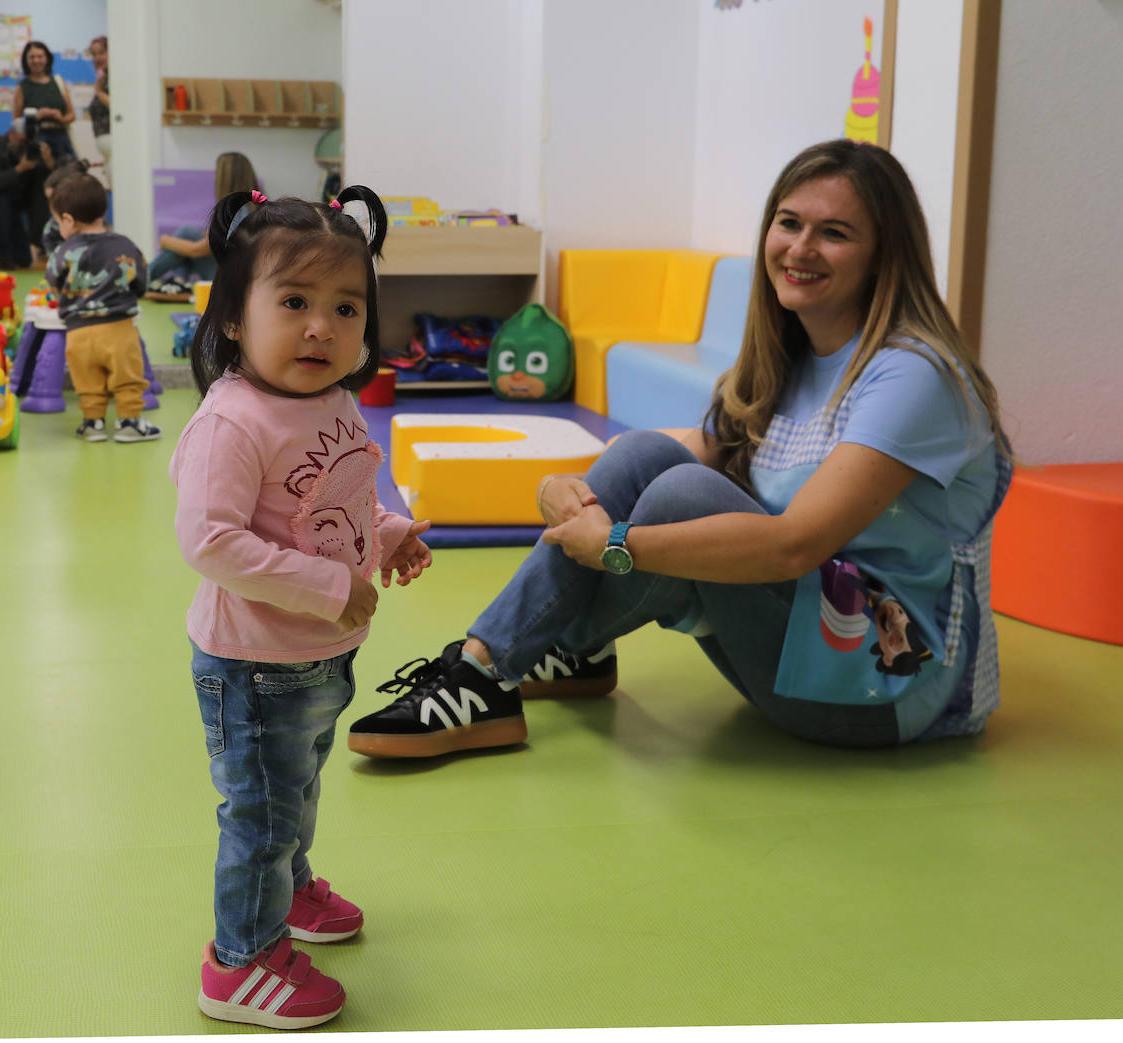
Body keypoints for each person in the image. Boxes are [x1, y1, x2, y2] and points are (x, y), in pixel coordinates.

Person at [347, 139, 1014, 759]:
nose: (801, 247)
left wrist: (615, 544)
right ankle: (493, 663)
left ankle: (521, 655)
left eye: (834, 233)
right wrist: (563, 484)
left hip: (888, 682)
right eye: (789, 223)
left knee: (681, 496)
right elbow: (691, 446)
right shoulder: (789, 356)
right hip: (807, 635)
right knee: (643, 455)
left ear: (882, 255)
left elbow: (794, 545)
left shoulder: (911, 374)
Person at [169, 186, 433, 1029]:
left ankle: (291, 885)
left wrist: (384, 531)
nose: (322, 326)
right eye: (293, 302)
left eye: (344, 307)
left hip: (319, 656)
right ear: (236, 318)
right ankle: (239, 961)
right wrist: (327, 587)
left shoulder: (330, 400)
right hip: (255, 666)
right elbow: (210, 539)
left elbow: (331, 498)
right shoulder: (233, 423)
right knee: (261, 813)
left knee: (297, 791)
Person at [44, 172, 159, 443]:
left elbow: (53, 281)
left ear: (69, 220)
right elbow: (141, 281)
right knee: (128, 377)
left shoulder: (63, 251)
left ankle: (92, 423)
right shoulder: (125, 245)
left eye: (58, 220)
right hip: (118, 329)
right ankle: (129, 422)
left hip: (78, 334)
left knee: (87, 382)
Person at [146, 152, 260, 297]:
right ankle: (179, 281)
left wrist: (165, 241)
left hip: (230, 280)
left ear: (226, 178)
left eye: (217, 173)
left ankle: (140, 281)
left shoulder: (234, 211)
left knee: (184, 237)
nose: (214, 178)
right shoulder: (250, 207)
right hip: (239, 273)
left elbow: (198, 250)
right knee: (187, 234)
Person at [0, 120, 53, 270]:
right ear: (12, 134)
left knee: (24, 260)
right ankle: (3, 256)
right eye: (21, 141)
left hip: (11, 207)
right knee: (0, 200)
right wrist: (20, 168)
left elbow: (45, 184)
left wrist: (48, 162)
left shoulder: (29, 151)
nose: (23, 145)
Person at [12, 40, 76, 164]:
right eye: (32, 57)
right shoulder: (21, 87)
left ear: (47, 58)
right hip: (35, 140)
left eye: (40, 56)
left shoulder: (58, 82)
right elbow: (16, 122)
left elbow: (71, 115)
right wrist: (36, 116)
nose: (36, 60)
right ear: (26, 60)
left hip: (61, 140)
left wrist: (60, 118)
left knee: (69, 178)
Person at [87, 35, 111, 183]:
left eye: (101, 52)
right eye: (94, 54)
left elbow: (119, 109)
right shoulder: (104, 78)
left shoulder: (117, 77)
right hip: (108, 152)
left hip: (117, 146)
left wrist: (99, 91)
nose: (97, 58)